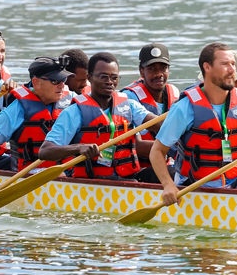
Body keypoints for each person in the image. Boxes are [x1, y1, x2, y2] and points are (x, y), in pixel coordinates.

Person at [150, 42, 237, 208]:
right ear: (207, 67)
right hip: (194, 185)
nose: (232, 70)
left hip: (235, 180)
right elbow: (157, 151)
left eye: (233, 64)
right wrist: (168, 185)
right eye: (225, 64)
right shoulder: (185, 108)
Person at [38, 52, 159, 180]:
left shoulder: (130, 105)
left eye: (114, 77)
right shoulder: (74, 112)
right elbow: (45, 151)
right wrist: (78, 148)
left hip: (128, 176)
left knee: (165, 173)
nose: (110, 82)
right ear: (89, 77)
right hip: (93, 181)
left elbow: (158, 124)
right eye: (104, 77)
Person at [0, 57, 72, 198]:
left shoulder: (71, 103)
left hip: (68, 174)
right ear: (36, 82)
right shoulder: (17, 109)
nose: (61, 86)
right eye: (55, 81)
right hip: (27, 176)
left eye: (63, 81)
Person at [122, 42, 180, 181]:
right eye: (152, 69)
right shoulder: (129, 98)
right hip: (140, 169)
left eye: (163, 68)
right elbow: (136, 145)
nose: (159, 74)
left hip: (168, 163)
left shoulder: (175, 93)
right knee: (176, 175)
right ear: (141, 71)